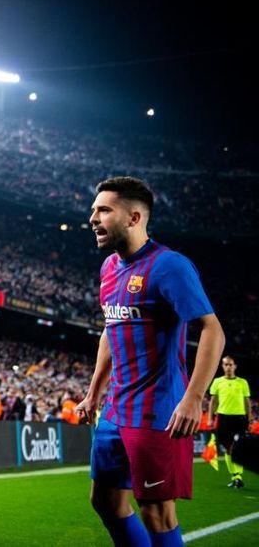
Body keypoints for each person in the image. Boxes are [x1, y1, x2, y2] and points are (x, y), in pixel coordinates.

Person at [77, 177, 224, 547]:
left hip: (158, 412)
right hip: (115, 409)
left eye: (104, 210)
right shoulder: (109, 269)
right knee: (105, 501)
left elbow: (212, 331)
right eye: (94, 209)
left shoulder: (169, 266)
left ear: (134, 217)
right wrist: (94, 393)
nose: (93, 217)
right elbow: (112, 330)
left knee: (156, 512)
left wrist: (193, 398)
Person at [208, 356, 251, 488]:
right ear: (222, 366)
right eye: (226, 365)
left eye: (230, 365)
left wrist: (248, 419)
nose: (228, 367)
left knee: (238, 447)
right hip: (223, 418)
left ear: (235, 366)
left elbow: (247, 402)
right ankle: (236, 475)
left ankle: (237, 475)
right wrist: (210, 418)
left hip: (239, 418)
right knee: (228, 448)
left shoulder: (243, 382)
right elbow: (213, 402)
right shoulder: (217, 382)